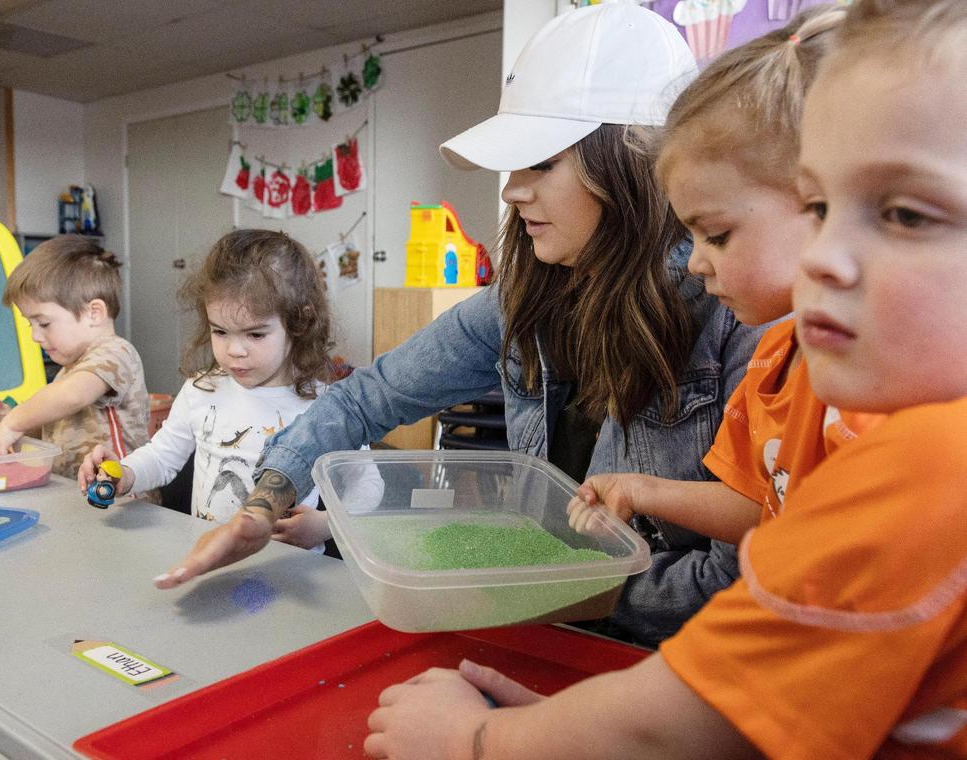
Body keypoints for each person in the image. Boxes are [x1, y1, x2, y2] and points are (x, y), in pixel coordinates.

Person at [363, 1, 967, 756]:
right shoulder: (862, 419)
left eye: (907, 214)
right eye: (818, 206)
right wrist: (561, 725)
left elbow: (689, 720)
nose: (822, 258)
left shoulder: (930, 463)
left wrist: (481, 739)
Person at [154, 4, 769, 648]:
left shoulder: (737, 317)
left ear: (630, 162)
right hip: (540, 623)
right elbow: (369, 395)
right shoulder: (521, 302)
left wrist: (536, 581)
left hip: (665, 662)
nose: (511, 192)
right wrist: (264, 505)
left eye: (542, 164)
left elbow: (741, 575)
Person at [571, 6, 882, 548]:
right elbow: (759, 507)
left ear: (820, 202)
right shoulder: (772, 362)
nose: (694, 263)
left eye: (716, 236)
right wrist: (639, 488)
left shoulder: (888, 389)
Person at [77, 229, 377, 553]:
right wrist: (126, 472)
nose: (234, 350)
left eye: (255, 335)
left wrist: (323, 525)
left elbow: (366, 484)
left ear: (298, 323)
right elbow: (162, 455)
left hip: (287, 571)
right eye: (219, 331)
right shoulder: (201, 389)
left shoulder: (327, 405)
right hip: (209, 562)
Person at [0, 235, 150, 481]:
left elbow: (73, 395)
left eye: (43, 323)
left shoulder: (116, 352)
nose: (35, 335)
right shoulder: (69, 370)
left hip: (121, 502)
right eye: (30, 324)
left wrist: (15, 421)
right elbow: (55, 430)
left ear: (93, 313)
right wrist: (7, 418)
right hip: (78, 499)